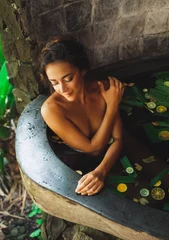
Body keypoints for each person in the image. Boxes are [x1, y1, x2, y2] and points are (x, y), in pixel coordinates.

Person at [39, 36, 126, 196]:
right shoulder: (52, 110)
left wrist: (101, 171)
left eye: (68, 79)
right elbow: (92, 150)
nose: (63, 88)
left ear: (83, 70)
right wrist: (112, 106)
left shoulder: (103, 89)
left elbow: (119, 138)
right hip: (78, 164)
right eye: (54, 83)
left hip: (112, 157)